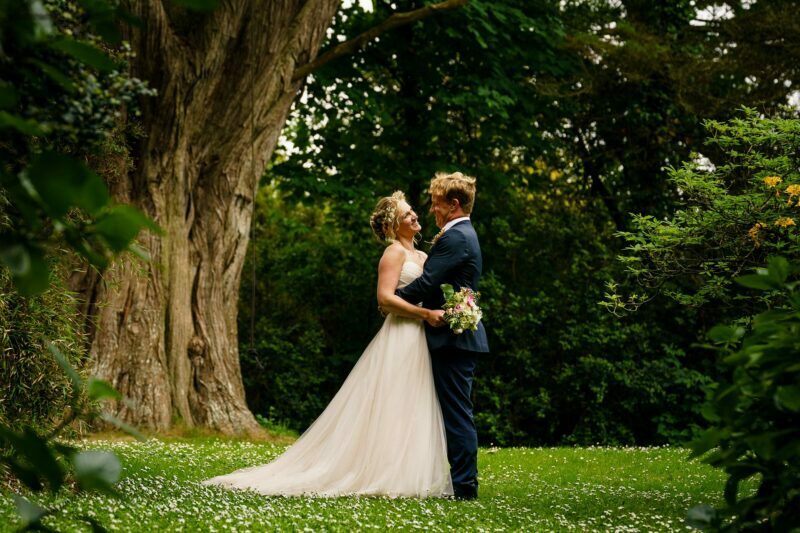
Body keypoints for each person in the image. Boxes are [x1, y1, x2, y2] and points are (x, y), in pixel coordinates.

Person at [202, 191, 453, 498]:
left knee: (413, 401)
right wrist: (424, 314)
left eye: (412, 210)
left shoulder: (423, 256)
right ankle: (384, 471)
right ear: (392, 226)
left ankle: (409, 470)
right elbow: (384, 299)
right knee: (394, 400)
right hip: (401, 335)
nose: (414, 215)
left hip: (421, 337)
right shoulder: (393, 253)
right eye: (406, 214)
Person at [396, 171, 489, 500]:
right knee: (452, 411)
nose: (432, 209)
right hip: (453, 335)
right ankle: (457, 482)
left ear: (454, 204)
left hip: (453, 337)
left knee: (456, 413)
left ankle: (464, 487)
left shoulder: (456, 237)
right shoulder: (460, 234)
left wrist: (392, 299)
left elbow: (427, 283)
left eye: (436, 204)